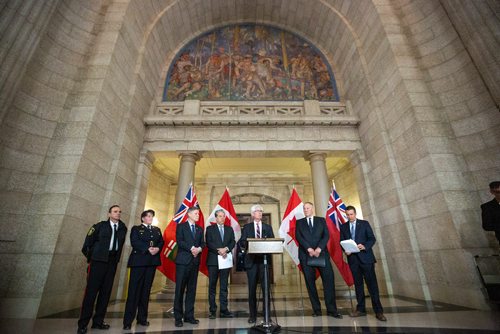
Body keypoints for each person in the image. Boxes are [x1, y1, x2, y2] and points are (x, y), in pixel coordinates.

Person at [78, 205, 128, 334]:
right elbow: (87, 244)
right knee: (91, 293)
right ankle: (83, 324)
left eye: (119, 212)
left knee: (105, 293)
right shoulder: (99, 226)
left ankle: (98, 322)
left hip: (112, 263)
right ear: (109, 214)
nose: (118, 214)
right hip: (98, 262)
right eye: (115, 212)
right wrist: (93, 258)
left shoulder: (123, 228)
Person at [295, 202, 342, 318]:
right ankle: (317, 310)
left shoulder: (321, 220)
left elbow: (326, 235)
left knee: (329, 281)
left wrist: (319, 248)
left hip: (322, 254)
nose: (305, 210)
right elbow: (298, 237)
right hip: (306, 255)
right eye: (304, 208)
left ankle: (332, 310)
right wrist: (309, 249)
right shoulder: (299, 222)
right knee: (310, 284)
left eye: (308, 208)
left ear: (312, 209)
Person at [340, 205, 386, 321]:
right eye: (348, 215)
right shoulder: (343, 227)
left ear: (355, 214)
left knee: (372, 286)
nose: (350, 217)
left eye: (351, 214)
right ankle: (360, 309)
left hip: (366, 259)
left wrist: (364, 246)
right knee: (358, 285)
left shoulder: (364, 224)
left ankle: (379, 311)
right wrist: (346, 251)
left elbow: (372, 238)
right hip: (353, 260)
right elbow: (342, 242)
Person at [123, 210, 164, 330]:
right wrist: (147, 249)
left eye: (152, 216)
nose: (151, 218)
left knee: (146, 291)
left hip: (151, 263)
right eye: (149, 216)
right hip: (138, 263)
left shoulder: (156, 230)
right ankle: (127, 321)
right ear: (143, 218)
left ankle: (142, 318)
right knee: (133, 291)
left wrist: (157, 248)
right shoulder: (136, 228)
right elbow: (134, 242)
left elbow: (161, 241)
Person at [239, 204, 275, 324]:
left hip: (264, 262)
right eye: (257, 211)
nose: (260, 213)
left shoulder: (267, 227)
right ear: (252, 214)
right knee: (252, 290)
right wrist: (248, 244)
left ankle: (267, 315)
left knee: (266, 290)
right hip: (252, 262)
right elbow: (242, 242)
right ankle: (252, 316)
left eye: (261, 211)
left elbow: (272, 241)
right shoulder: (247, 227)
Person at [173, 206, 205, 327]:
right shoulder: (181, 226)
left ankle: (189, 316)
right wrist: (192, 248)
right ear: (189, 214)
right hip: (183, 262)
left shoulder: (199, 228)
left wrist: (199, 249)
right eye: (196, 213)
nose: (198, 215)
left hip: (194, 262)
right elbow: (179, 241)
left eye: (198, 214)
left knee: (191, 290)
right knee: (179, 290)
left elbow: (203, 242)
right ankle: (178, 317)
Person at [206, 209, 236, 319]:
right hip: (213, 260)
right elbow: (209, 242)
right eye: (219, 216)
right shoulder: (210, 229)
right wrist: (219, 250)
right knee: (212, 286)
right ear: (216, 217)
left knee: (224, 286)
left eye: (223, 216)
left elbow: (233, 241)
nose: (222, 218)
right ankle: (212, 310)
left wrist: (226, 249)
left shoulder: (229, 229)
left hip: (225, 260)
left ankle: (224, 310)